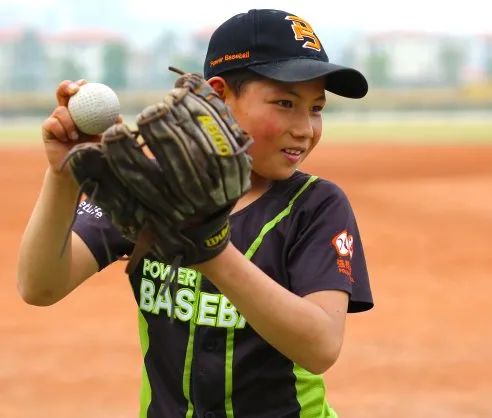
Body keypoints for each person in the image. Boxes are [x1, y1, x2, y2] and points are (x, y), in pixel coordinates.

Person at [17, 8, 373, 418]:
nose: (305, 128)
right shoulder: (158, 188)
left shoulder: (317, 205)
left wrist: (212, 251)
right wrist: (64, 173)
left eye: (316, 108)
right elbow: (39, 286)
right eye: (285, 102)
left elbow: (321, 346)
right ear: (219, 94)